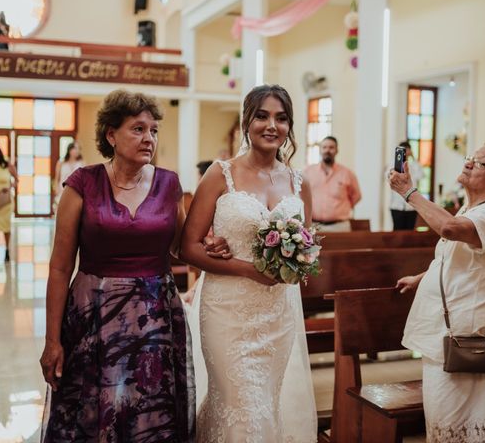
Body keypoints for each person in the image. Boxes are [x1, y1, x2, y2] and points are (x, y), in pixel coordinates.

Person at [39, 89, 228, 442]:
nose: (149, 138)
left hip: (154, 319)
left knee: (148, 410)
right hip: (94, 316)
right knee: (96, 406)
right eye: (138, 129)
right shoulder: (81, 184)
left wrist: (210, 244)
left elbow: (180, 246)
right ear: (111, 135)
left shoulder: (168, 183)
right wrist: (52, 340)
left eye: (153, 131)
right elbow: (60, 267)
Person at [180, 84, 317, 442]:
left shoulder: (299, 182)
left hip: (278, 315)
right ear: (246, 121)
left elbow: (309, 243)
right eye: (262, 116)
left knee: (264, 404)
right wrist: (247, 269)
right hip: (228, 312)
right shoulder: (219, 174)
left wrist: (302, 256)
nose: (272, 125)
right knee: (243, 406)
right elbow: (188, 248)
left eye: (282, 118)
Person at [389, 139, 485, 442]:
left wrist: (408, 192)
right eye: (470, 158)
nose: (468, 163)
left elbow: (450, 229)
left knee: (455, 418)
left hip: (462, 336)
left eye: (479, 163)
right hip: (449, 332)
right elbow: (455, 257)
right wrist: (422, 277)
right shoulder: (475, 207)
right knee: (456, 418)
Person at [303, 136, 361, 232]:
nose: (327, 150)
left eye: (331, 147)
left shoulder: (347, 173)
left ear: (337, 150)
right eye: (324, 147)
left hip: (340, 227)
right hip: (313, 225)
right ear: (320, 150)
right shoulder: (308, 172)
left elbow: (357, 196)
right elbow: (301, 195)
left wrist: (341, 208)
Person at [389, 141, 424, 230]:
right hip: (396, 206)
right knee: (397, 232)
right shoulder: (392, 166)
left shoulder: (413, 166)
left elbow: (421, 175)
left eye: (407, 150)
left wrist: (414, 158)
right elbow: (388, 177)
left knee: (410, 232)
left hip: (411, 207)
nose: (405, 153)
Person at [53, 142, 84, 213]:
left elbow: (84, 179)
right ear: (70, 150)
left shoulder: (81, 163)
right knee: (61, 210)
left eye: (79, 149)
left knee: (73, 211)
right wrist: (56, 188)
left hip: (77, 190)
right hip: (62, 188)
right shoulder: (61, 162)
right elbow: (57, 177)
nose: (77, 151)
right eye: (75, 148)